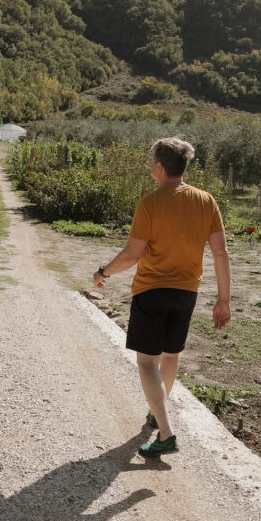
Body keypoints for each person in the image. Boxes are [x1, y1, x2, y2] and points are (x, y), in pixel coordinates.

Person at [93, 137, 231, 457]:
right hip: (187, 292)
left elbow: (132, 255)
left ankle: (166, 433)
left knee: (146, 362)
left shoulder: (150, 203)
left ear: (158, 167)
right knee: (171, 356)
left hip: (152, 291)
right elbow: (221, 253)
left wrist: (104, 272)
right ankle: (158, 413)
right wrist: (223, 300)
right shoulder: (206, 201)